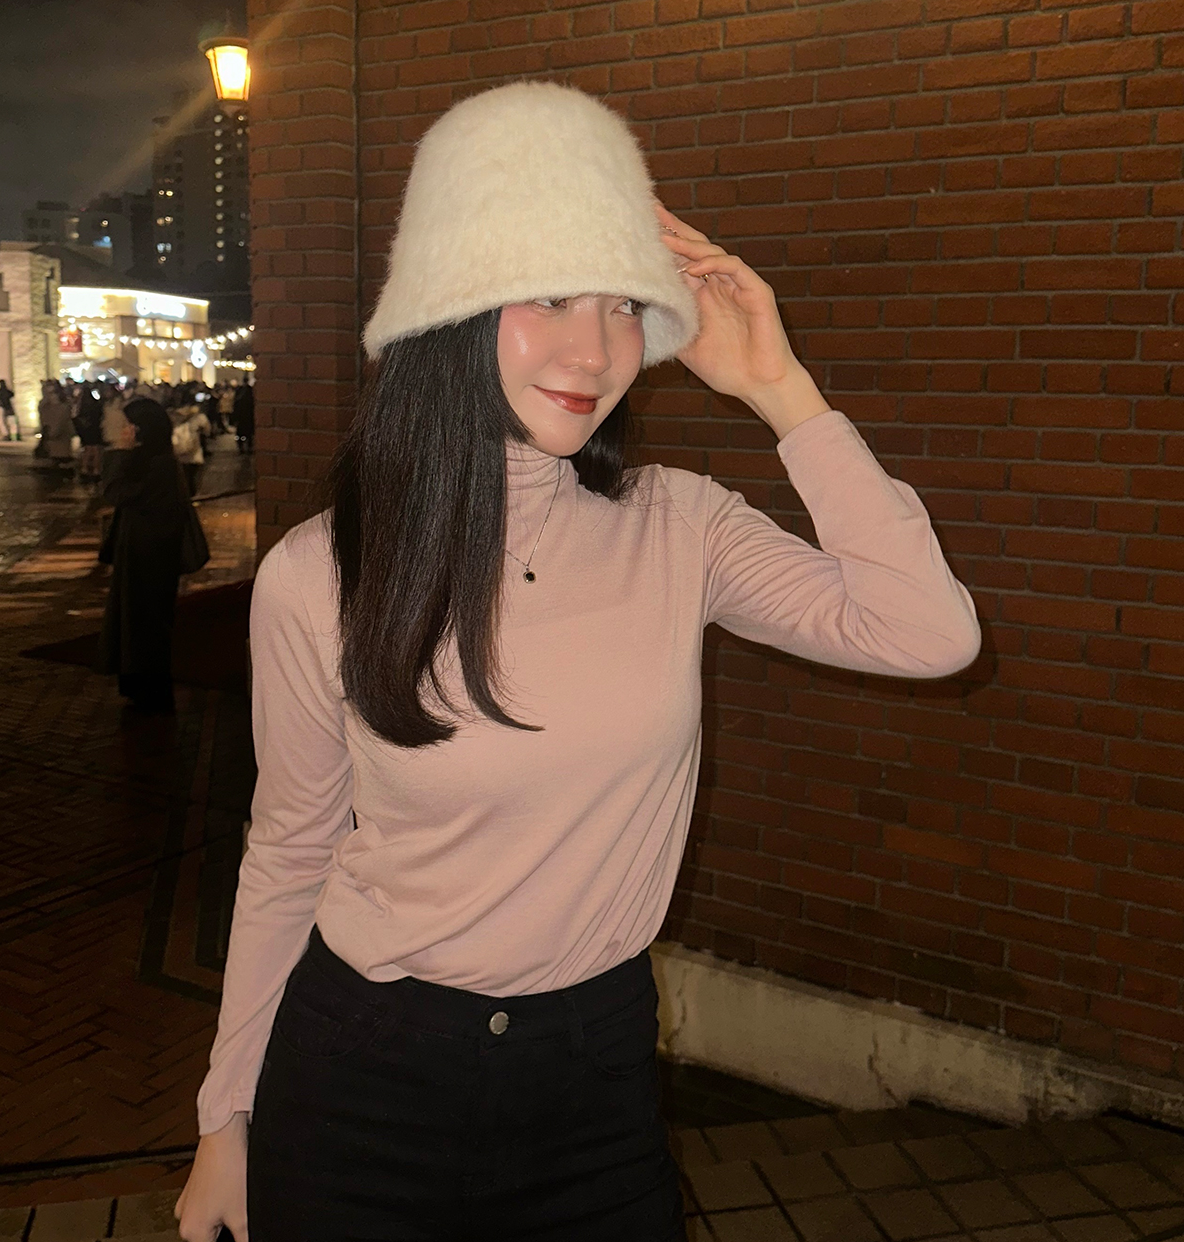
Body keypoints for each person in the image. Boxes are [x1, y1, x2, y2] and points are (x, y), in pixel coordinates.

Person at [175, 83, 981, 1242]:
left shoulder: (681, 526)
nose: (595, 349)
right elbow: (291, 850)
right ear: (450, 304)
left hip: (593, 1078)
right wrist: (227, 1117)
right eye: (550, 294)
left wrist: (780, 389)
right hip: (362, 1077)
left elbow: (930, 633)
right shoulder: (323, 572)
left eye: (623, 305)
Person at [96, 397, 190, 714]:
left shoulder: (159, 464)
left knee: (145, 624)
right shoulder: (153, 460)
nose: (123, 431)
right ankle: (138, 687)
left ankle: (151, 693)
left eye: (128, 426)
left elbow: (117, 491)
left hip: (149, 557)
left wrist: (119, 454)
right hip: (140, 551)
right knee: (136, 622)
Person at [171, 396, 211, 497]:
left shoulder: (173, 417)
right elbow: (207, 431)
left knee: (182, 478)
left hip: (178, 453)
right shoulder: (199, 417)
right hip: (194, 453)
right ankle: (193, 497)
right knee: (192, 477)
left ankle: (184, 496)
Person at [37, 380, 74, 471]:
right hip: (51, 436)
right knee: (53, 458)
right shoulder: (45, 406)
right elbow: (43, 419)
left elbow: (63, 421)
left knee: (61, 458)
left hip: (60, 436)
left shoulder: (64, 407)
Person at [231, 376, 254, 453]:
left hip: (241, 415)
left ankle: (241, 447)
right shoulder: (250, 390)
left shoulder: (239, 390)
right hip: (248, 414)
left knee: (240, 433)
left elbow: (235, 403)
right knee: (248, 433)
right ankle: (249, 446)